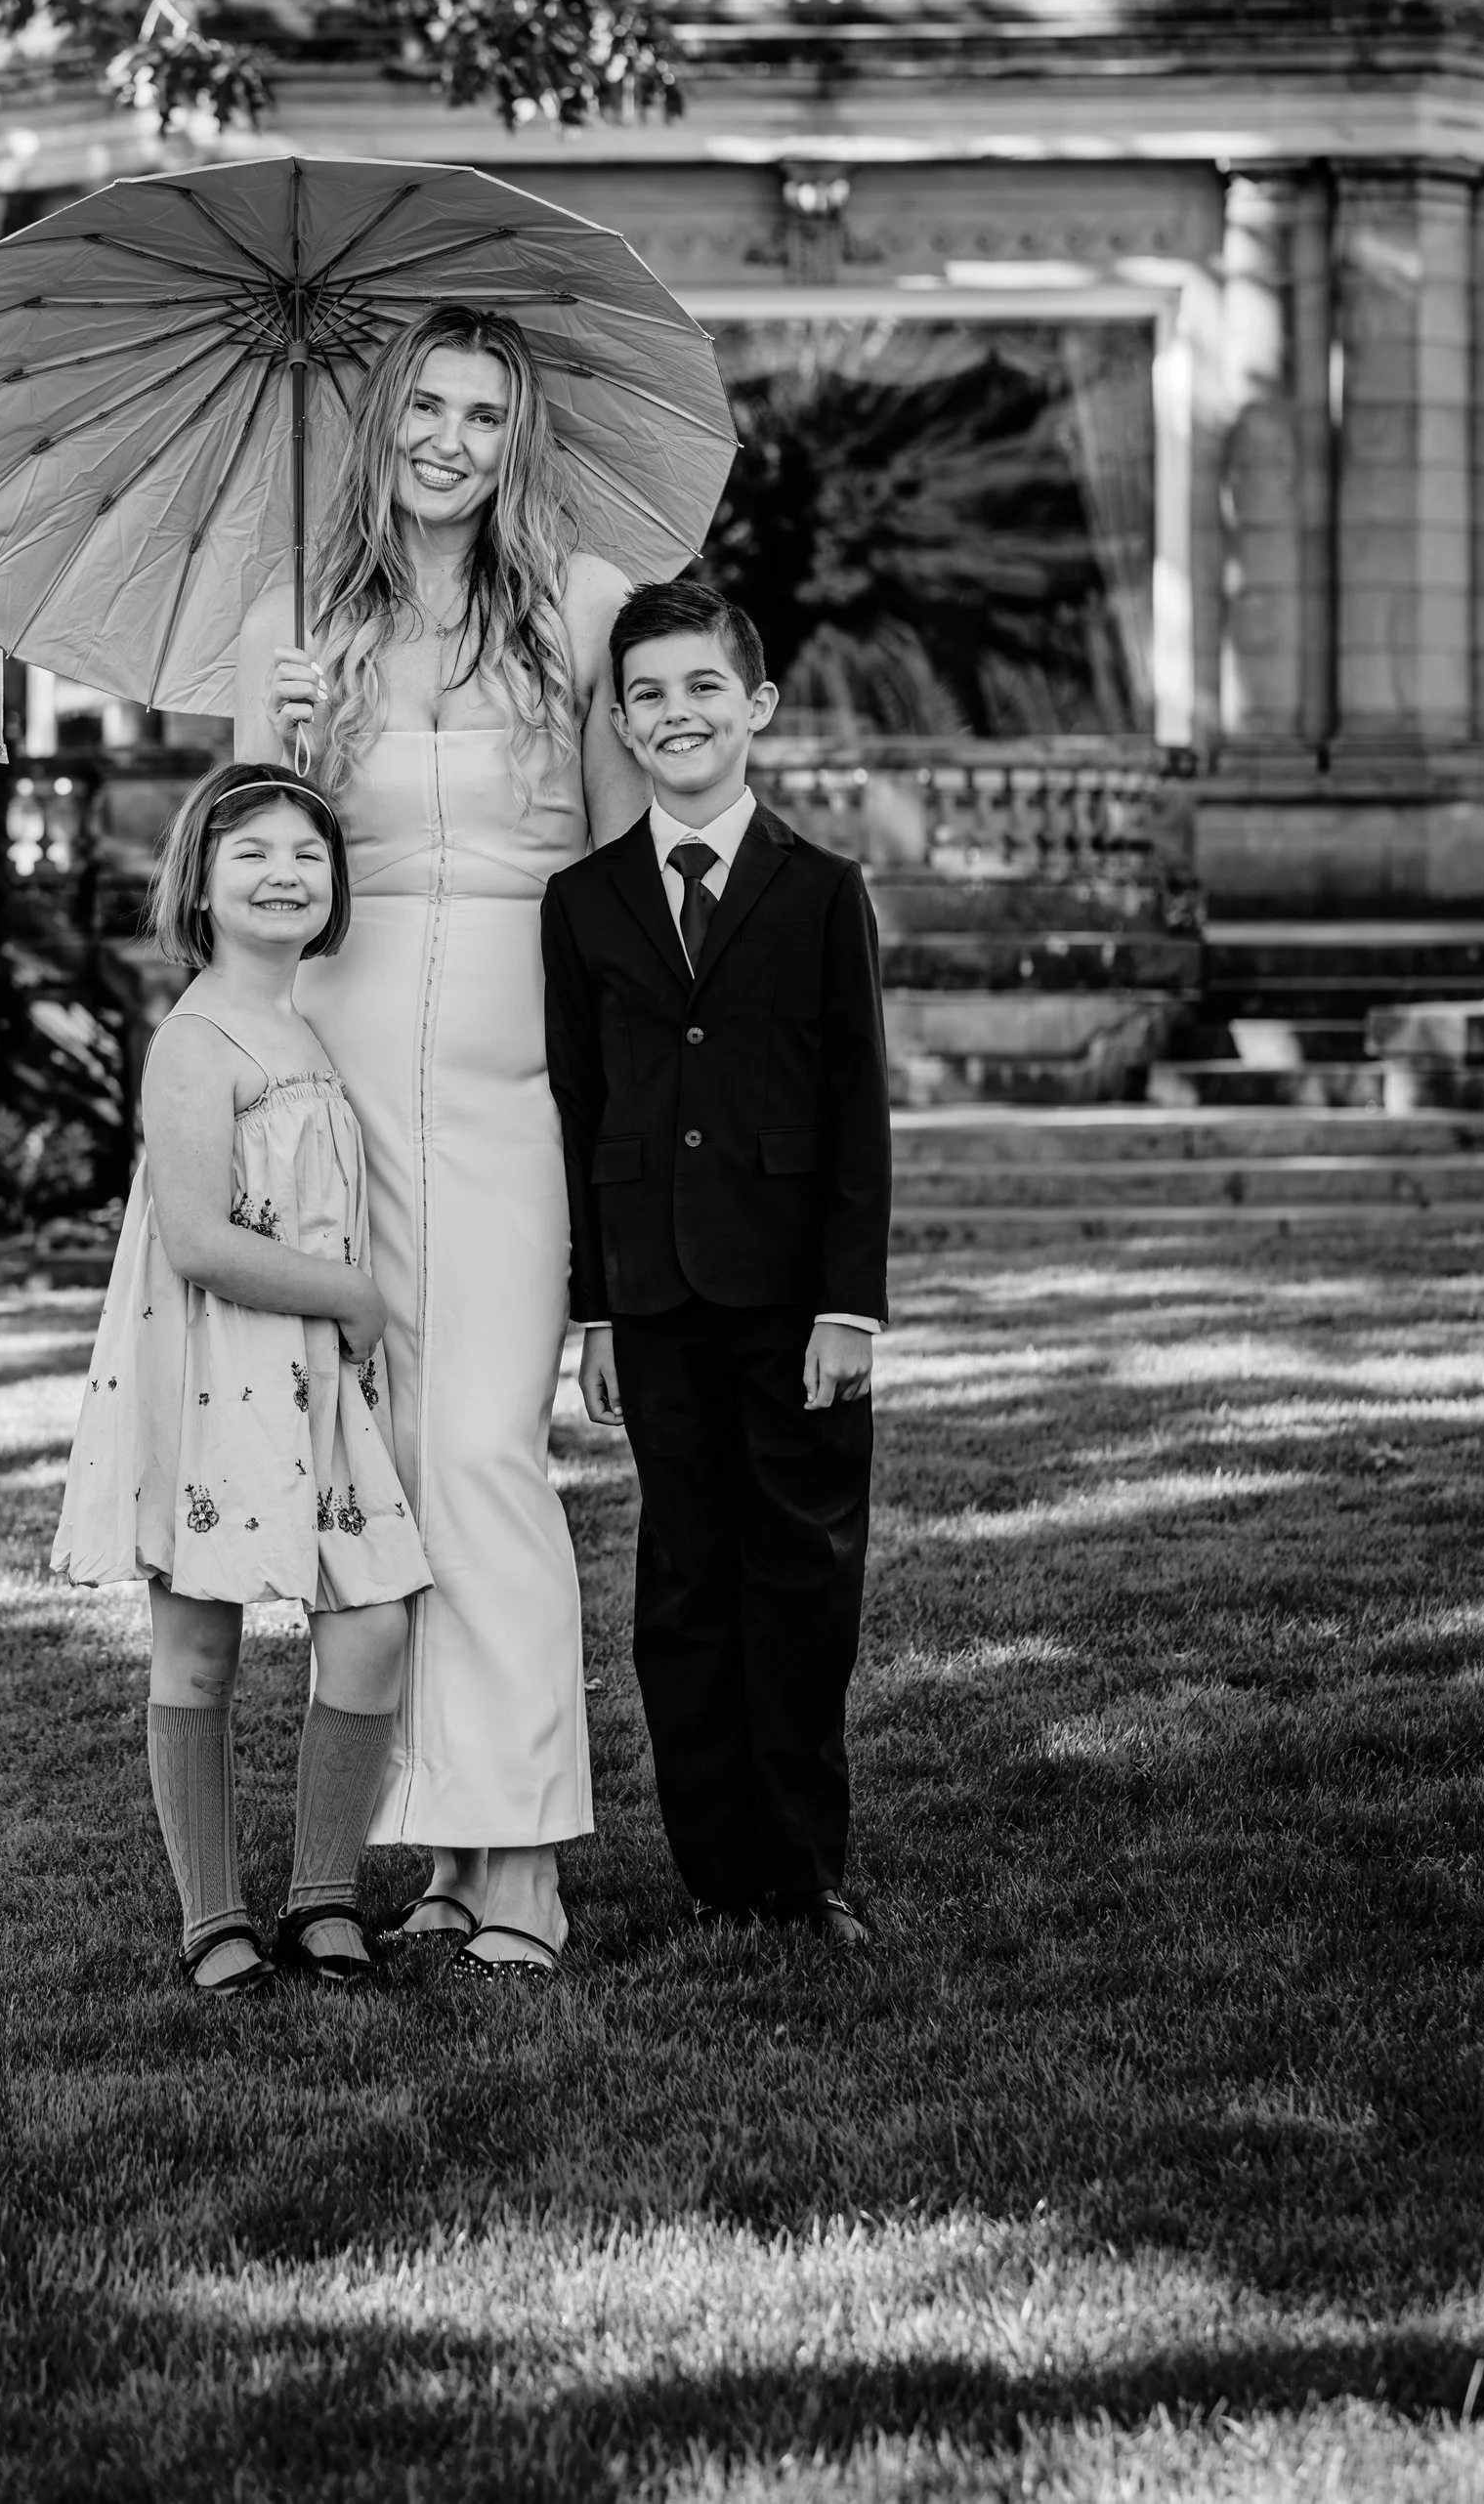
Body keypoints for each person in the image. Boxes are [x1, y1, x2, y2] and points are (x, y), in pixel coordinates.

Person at [234, 303, 644, 1974]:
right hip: (340, 1077)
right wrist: (289, 743)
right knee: (387, 1474)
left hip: (513, 1081)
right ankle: (444, 1852)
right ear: (381, 422)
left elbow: (618, 884)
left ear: (517, 439)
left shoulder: (584, 609)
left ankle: (529, 1854)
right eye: (425, 407)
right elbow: (255, 888)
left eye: (485, 415)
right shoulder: (295, 623)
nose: (451, 442)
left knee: (483, 1447)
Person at [541, 573, 891, 1948]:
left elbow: (858, 1108)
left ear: (754, 705)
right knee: (683, 1583)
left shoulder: (821, 891)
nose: (675, 712)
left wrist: (849, 1305)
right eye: (647, 694)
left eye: (701, 687)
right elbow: (583, 1108)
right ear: (620, 726)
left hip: (795, 1300)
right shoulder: (582, 902)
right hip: (656, 1295)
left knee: (799, 1578)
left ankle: (803, 1872)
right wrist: (596, 1313)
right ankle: (715, 1871)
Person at [52, 761, 431, 1996]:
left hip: (313, 1386)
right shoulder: (195, 1040)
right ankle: (213, 1915)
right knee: (201, 1644)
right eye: (251, 853)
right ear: (200, 886)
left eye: (306, 854)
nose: (282, 874)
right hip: (218, 1369)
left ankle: (322, 1896)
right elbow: (202, 1239)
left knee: (368, 1621)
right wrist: (351, 1296)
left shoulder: (308, 1025)